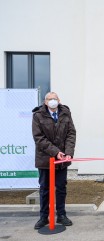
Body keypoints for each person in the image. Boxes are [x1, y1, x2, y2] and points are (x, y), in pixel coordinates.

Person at [32, 92, 76, 229]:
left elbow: (71, 133)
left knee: (61, 188)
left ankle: (61, 215)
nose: (52, 101)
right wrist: (56, 152)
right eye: (49, 99)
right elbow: (39, 138)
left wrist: (68, 153)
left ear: (59, 100)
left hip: (62, 160)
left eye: (54, 99)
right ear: (45, 102)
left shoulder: (65, 113)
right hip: (45, 159)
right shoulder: (38, 115)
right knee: (45, 189)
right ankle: (44, 217)